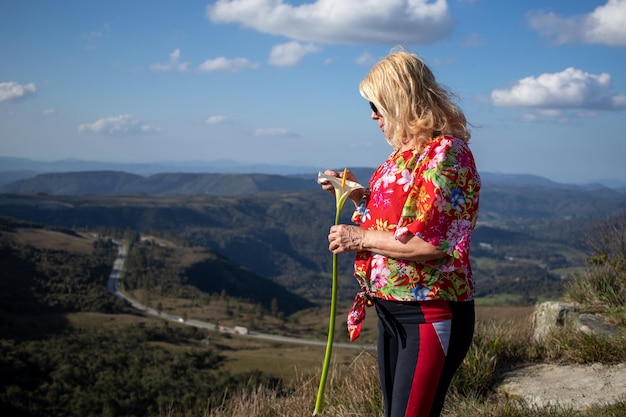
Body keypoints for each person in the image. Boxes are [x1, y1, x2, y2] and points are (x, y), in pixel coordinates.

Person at [320, 50, 480, 417]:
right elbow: (401, 224)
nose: (373, 116)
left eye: (377, 106)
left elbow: (432, 243)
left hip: (428, 312)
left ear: (401, 100)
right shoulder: (405, 154)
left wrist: (357, 238)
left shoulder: (446, 153)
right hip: (395, 309)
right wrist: (359, 194)